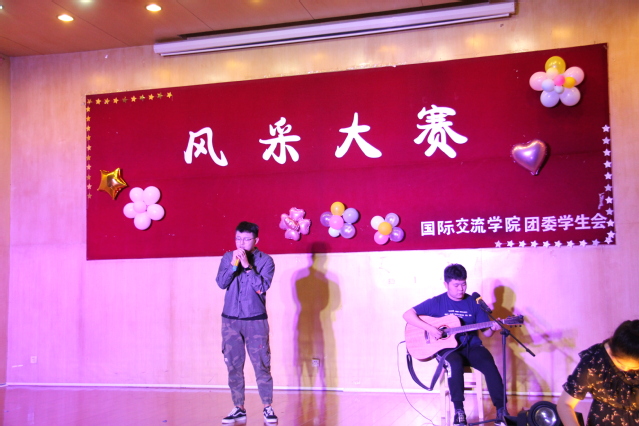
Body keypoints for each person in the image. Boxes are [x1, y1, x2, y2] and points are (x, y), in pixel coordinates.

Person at [402, 263, 508, 426]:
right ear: (446, 284)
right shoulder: (437, 302)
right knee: (455, 364)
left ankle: (501, 410)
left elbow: (486, 333)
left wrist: (494, 328)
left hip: (472, 347)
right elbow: (408, 314)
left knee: (489, 364)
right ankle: (459, 411)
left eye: (464, 284)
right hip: (447, 350)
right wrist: (430, 329)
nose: (461, 289)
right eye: (456, 285)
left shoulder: (474, 303)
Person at [216, 221, 278, 423]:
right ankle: (238, 407)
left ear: (256, 240)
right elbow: (221, 283)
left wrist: (247, 266)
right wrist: (234, 264)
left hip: (255, 321)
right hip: (230, 320)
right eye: (238, 238)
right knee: (233, 365)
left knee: (261, 364)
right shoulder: (228, 257)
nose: (241, 243)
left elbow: (261, 288)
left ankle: (267, 407)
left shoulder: (266, 261)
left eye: (246, 239)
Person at [557, 319, 639, 426]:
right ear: (612, 350)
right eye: (620, 363)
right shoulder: (594, 361)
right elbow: (565, 404)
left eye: (633, 367)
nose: (626, 369)